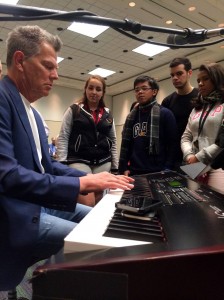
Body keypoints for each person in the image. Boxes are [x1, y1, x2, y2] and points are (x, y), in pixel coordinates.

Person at [0, 25, 134, 291]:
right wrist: (80, 185)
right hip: (16, 214)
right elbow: (7, 175)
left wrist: (91, 178)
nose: (56, 75)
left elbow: (46, 166)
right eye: (48, 66)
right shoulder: (2, 99)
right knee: (100, 241)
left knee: (105, 221)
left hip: (36, 204)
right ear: (20, 61)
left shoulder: (32, 112)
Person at [57, 75, 119, 206]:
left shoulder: (107, 114)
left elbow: (113, 140)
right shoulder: (74, 110)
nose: (94, 92)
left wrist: (115, 166)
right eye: (90, 88)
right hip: (79, 160)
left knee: (98, 199)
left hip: (103, 161)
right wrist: (61, 163)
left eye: (98, 89)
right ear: (85, 89)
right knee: (87, 202)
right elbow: (63, 136)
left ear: (103, 93)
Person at [119, 75, 178, 176]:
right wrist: (124, 167)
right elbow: (127, 146)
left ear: (154, 92)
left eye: (144, 88)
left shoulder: (165, 114)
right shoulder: (131, 117)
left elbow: (173, 145)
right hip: (134, 171)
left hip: (159, 171)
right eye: (137, 90)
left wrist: (167, 168)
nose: (140, 92)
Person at [181, 63, 224, 192]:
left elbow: (223, 141)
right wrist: (189, 155)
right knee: (196, 206)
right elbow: (186, 136)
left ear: (217, 79)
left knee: (216, 209)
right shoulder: (196, 109)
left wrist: (199, 157)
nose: (200, 83)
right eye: (198, 80)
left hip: (218, 166)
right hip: (194, 166)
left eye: (205, 79)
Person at [161, 57, 198, 169]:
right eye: (172, 75)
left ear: (189, 73)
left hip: (196, 156)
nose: (175, 78)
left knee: (196, 187)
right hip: (173, 158)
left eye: (179, 73)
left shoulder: (201, 96)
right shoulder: (167, 101)